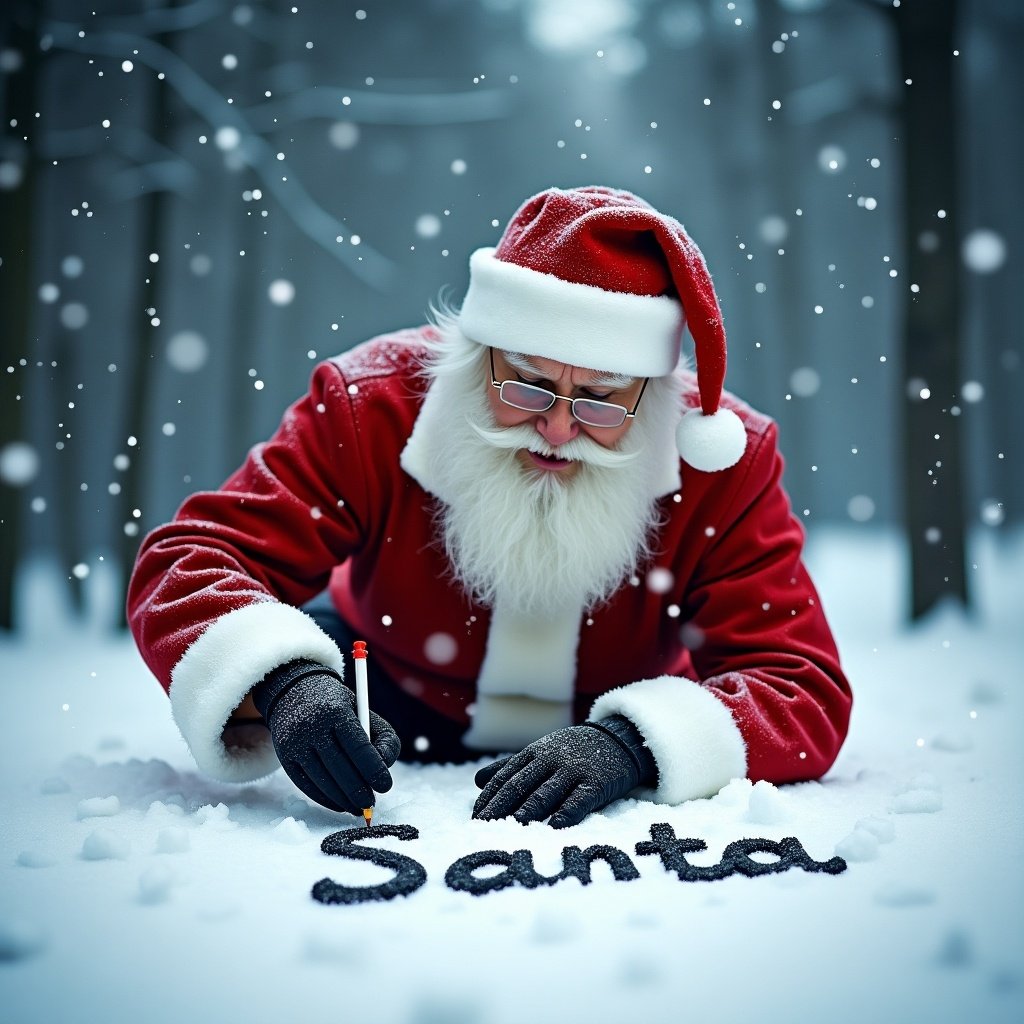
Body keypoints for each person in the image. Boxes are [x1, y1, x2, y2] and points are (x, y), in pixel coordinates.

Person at [127, 185, 851, 829]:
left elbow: (801, 685)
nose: (560, 428)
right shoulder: (370, 407)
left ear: (654, 395)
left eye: (601, 400)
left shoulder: (721, 460)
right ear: (479, 360)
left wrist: (632, 743)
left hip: (609, 717)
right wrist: (282, 683)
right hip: (384, 695)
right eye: (527, 386)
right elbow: (188, 560)